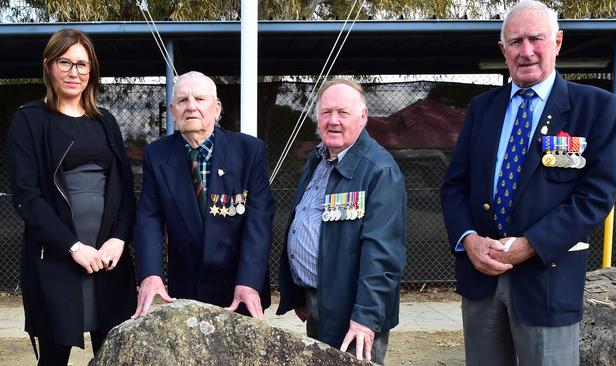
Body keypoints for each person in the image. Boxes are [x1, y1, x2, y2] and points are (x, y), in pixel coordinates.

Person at [440, 1, 616, 365]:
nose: (526, 51)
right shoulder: (482, 108)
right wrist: (469, 240)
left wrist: (532, 244)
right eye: (516, 41)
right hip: (481, 279)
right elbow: (455, 186)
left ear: (557, 42)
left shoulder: (596, 107)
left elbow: (596, 196)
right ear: (502, 50)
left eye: (536, 39)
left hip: (547, 281)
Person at [7, 29, 137, 365]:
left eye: (82, 64)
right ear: (49, 66)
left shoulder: (106, 121)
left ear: (91, 71)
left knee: (113, 353)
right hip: (56, 258)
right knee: (54, 355)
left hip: (109, 258)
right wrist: (72, 247)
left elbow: (124, 188)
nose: (73, 72)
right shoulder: (29, 119)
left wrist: (119, 239)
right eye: (65, 62)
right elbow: (27, 196)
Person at [276, 79, 407, 364]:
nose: (333, 121)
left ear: (363, 117)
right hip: (317, 302)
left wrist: (365, 319)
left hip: (354, 313)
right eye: (326, 112)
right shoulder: (319, 161)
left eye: (343, 113)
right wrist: (299, 293)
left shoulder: (378, 170)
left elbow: (382, 255)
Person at [132, 71, 276, 320]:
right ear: (172, 110)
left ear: (217, 108)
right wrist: (150, 275)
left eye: (200, 99)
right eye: (183, 100)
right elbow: (149, 218)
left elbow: (258, 221)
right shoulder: (156, 155)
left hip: (239, 289)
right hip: (186, 289)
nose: (191, 107)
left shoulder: (250, 151)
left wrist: (249, 281)